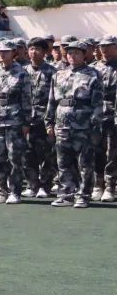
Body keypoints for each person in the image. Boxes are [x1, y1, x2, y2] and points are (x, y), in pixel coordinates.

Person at [46, 40, 103, 208]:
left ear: (84, 54)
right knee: (63, 162)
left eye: (77, 53)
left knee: (84, 163)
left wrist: (94, 124)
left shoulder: (93, 75)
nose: (72, 56)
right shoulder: (58, 74)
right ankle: (66, 194)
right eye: (70, 53)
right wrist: (49, 123)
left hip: (83, 126)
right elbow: (51, 101)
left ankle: (83, 195)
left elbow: (98, 103)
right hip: (62, 125)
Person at [0, 40, 32, 205]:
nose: (2, 54)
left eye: (6, 51)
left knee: (14, 158)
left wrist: (26, 122)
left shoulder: (22, 73)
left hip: (15, 120)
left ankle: (15, 191)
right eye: (0, 51)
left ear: (14, 53)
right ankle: (1, 191)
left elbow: (27, 99)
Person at [23, 37, 58, 199]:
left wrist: (52, 121)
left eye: (37, 49)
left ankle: (45, 185)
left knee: (46, 154)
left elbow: (55, 98)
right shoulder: (22, 71)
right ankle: (32, 185)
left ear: (45, 52)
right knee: (27, 153)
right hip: (26, 119)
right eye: (31, 49)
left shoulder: (53, 72)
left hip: (44, 118)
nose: (34, 52)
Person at [91, 35, 117, 201]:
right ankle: (97, 184)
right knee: (96, 151)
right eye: (102, 46)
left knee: (112, 152)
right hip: (95, 116)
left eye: (109, 46)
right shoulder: (93, 69)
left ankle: (110, 186)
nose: (105, 49)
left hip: (113, 115)